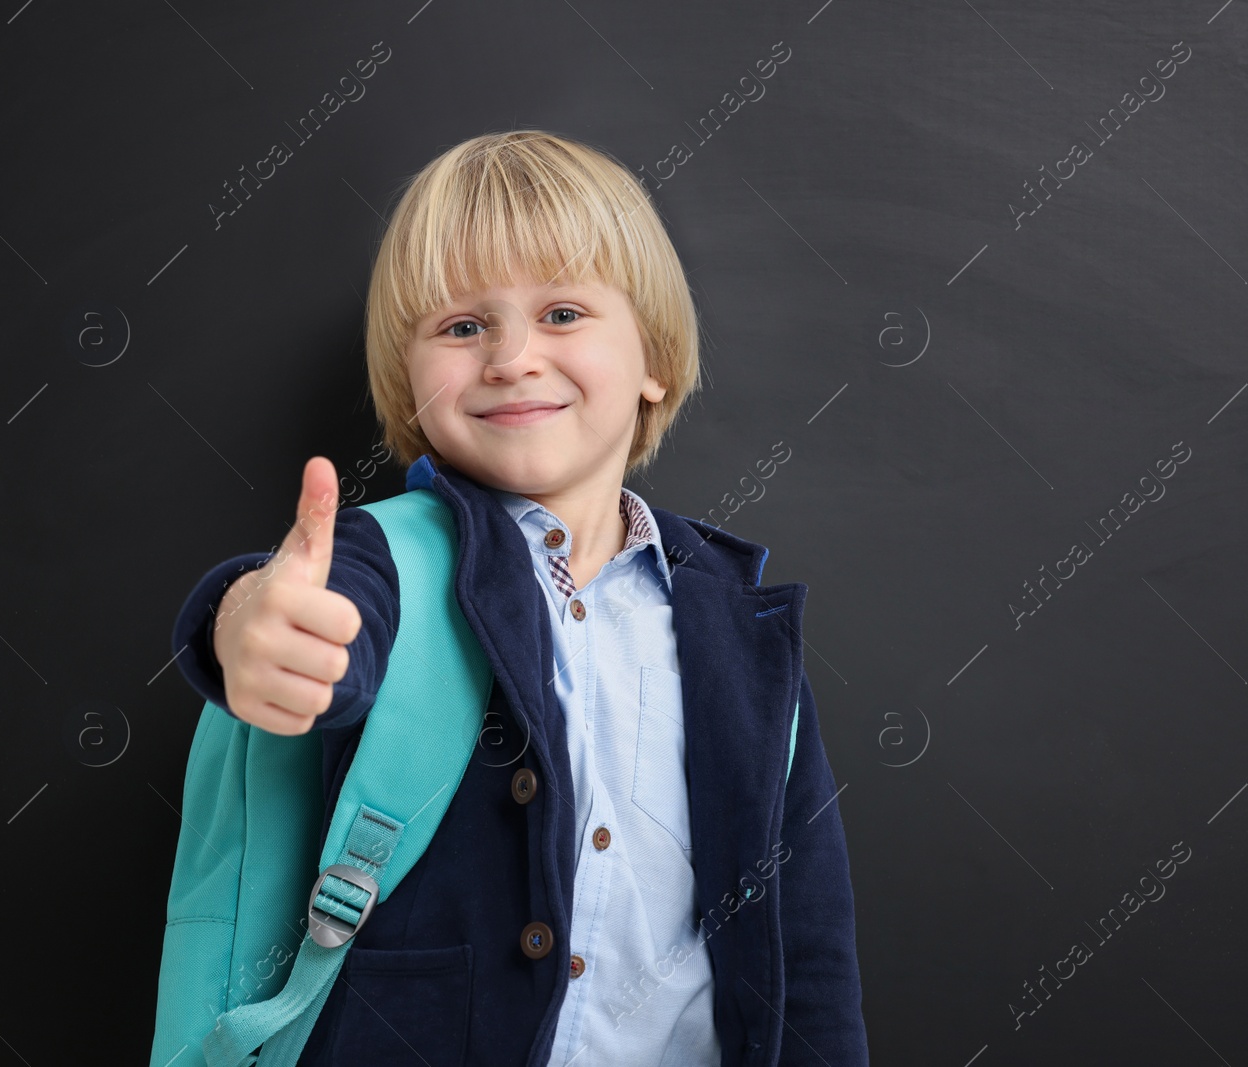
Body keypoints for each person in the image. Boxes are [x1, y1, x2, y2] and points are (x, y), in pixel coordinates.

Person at [169, 129, 868, 1066]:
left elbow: (808, 942)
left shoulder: (739, 624)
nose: (511, 357)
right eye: (462, 327)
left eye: (565, 312)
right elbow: (305, 608)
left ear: (653, 358)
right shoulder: (383, 557)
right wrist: (249, 624)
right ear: (410, 383)